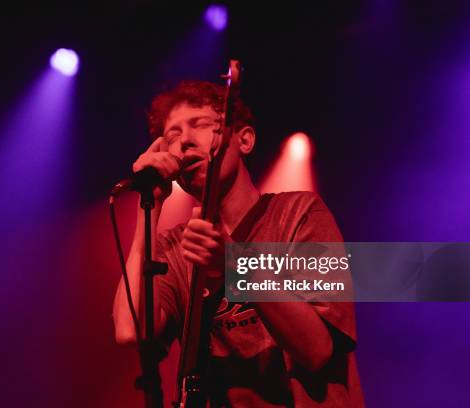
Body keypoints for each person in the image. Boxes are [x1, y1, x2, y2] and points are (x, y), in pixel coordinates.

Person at [113, 81, 364, 407]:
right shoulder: (175, 247)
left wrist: (232, 264)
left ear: (244, 140)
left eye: (200, 125)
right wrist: (151, 206)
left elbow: (317, 351)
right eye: (172, 136)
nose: (184, 141)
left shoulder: (298, 213)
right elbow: (131, 330)